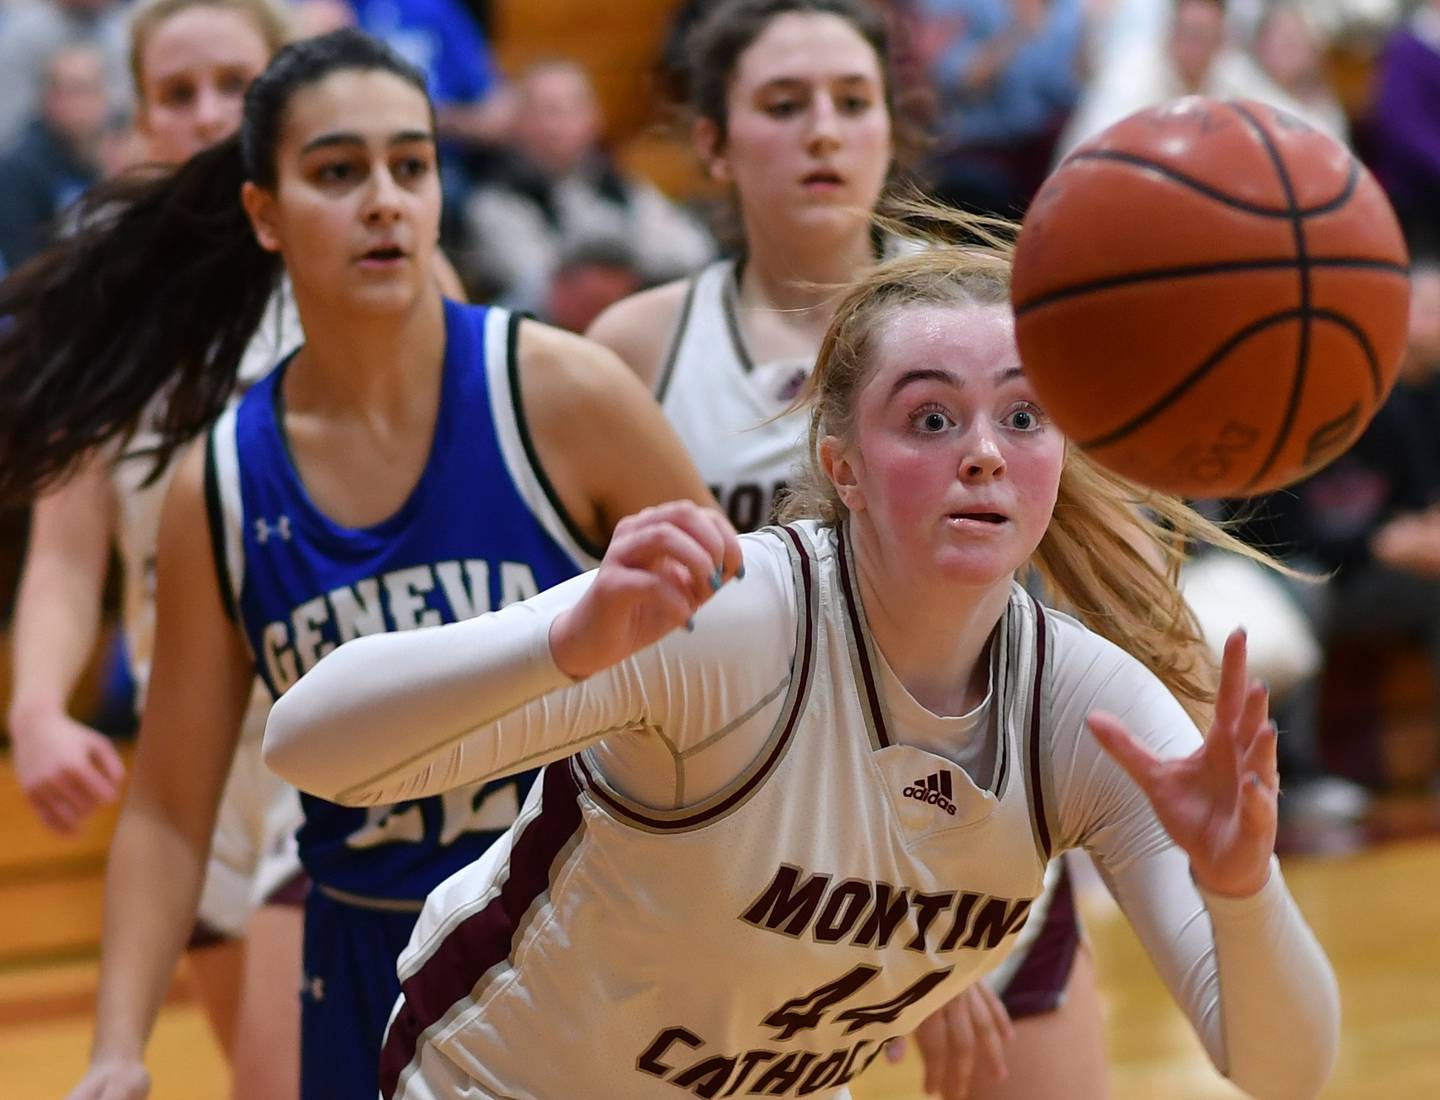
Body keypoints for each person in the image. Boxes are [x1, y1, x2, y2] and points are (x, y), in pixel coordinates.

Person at [264, 204, 1341, 1100]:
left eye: (1023, 415)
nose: (981, 452)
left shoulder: (1087, 704)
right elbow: (307, 744)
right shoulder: (738, 622)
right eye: (929, 418)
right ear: (844, 463)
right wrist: (565, 641)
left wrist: (1244, 887)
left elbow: (1282, 1070)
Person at [0, 27, 722, 1100]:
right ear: (264, 206)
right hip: (345, 913)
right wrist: (117, 1048)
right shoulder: (218, 470)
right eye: (339, 170)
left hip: (583, 933)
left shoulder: (555, 391)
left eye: (411, 166)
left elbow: (758, 676)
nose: (383, 198)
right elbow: (161, 789)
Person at [589, 4, 1097, 1094]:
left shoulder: (992, 320)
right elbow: (609, 661)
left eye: (852, 102)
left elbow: (1082, 576)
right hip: (741, 874)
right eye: (784, 105)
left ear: (891, 127)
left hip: (975, 845)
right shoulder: (632, 351)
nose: (824, 130)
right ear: (714, 143)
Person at [4, 2, 300, 1095]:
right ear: (140, 114)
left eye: (237, 82)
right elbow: (67, 554)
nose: (209, 112)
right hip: (193, 764)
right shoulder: (105, 309)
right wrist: (37, 707)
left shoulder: (375, 258)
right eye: (178, 92)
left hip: (349, 737)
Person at [460, 58, 715, 311]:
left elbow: (692, 250)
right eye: (548, 111)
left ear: (595, 117)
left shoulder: (621, 187)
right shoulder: (495, 200)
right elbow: (542, 284)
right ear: (518, 120)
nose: (559, 125)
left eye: (574, 108)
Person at [0, 44, 109, 269]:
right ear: (48, 98)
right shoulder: (18, 168)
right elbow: (21, 264)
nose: (85, 104)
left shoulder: (100, 157)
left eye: (92, 89)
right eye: (74, 90)